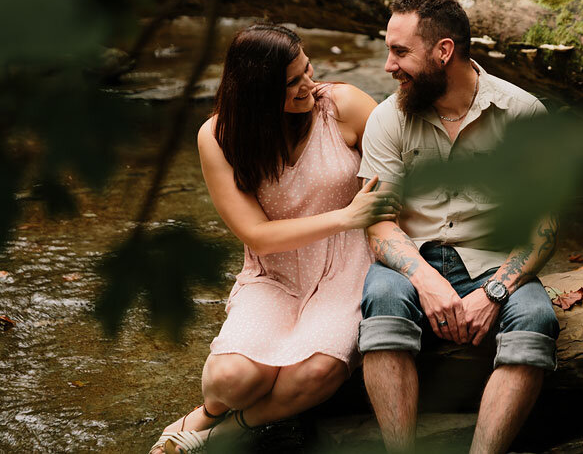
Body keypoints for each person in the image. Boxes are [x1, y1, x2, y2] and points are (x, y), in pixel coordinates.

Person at [150, 24, 400, 454]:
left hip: (349, 271)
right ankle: (207, 414)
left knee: (315, 371)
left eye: (307, 69)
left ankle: (221, 434)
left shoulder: (344, 105)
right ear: (254, 93)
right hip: (276, 273)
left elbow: (399, 174)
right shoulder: (218, 137)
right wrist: (344, 216)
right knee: (231, 379)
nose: (309, 85)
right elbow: (256, 236)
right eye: (292, 83)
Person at [356, 0, 560, 454]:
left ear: (443, 51)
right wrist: (425, 281)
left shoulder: (523, 114)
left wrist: (495, 292)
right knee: (382, 302)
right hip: (413, 260)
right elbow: (378, 222)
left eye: (400, 51)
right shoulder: (388, 118)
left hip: (494, 262)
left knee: (536, 318)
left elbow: (542, 228)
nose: (388, 66)